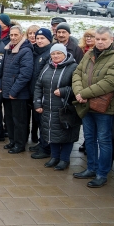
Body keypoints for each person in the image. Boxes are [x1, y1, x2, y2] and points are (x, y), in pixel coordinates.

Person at [72, 27, 114, 188]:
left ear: (111, 40)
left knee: (103, 140)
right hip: (86, 104)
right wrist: (78, 92)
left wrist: (84, 93)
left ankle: (102, 173)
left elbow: (111, 82)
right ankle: (91, 168)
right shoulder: (89, 53)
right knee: (89, 138)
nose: (100, 42)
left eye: (104, 39)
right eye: (98, 39)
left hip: (104, 107)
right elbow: (77, 73)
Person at [34, 43, 80, 171]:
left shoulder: (73, 67)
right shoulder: (47, 67)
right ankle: (54, 157)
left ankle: (64, 159)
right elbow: (38, 85)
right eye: (53, 53)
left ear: (64, 54)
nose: (55, 56)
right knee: (51, 132)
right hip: (48, 107)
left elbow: (78, 88)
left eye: (58, 53)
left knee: (66, 134)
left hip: (65, 109)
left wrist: (65, 91)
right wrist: (37, 103)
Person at [1, 25, 33, 154]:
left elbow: (25, 74)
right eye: (11, 35)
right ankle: (13, 141)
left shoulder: (25, 51)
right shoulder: (9, 49)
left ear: (21, 35)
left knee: (19, 120)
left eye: (16, 35)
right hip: (8, 91)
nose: (13, 37)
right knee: (9, 118)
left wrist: (14, 91)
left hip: (19, 94)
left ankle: (20, 144)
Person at [29, 28, 54, 159]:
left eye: (42, 38)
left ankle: (46, 148)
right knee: (38, 121)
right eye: (37, 38)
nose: (39, 41)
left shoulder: (49, 54)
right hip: (35, 93)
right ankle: (41, 143)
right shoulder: (35, 52)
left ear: (49, 39)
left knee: (44, 122)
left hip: (44, 94)